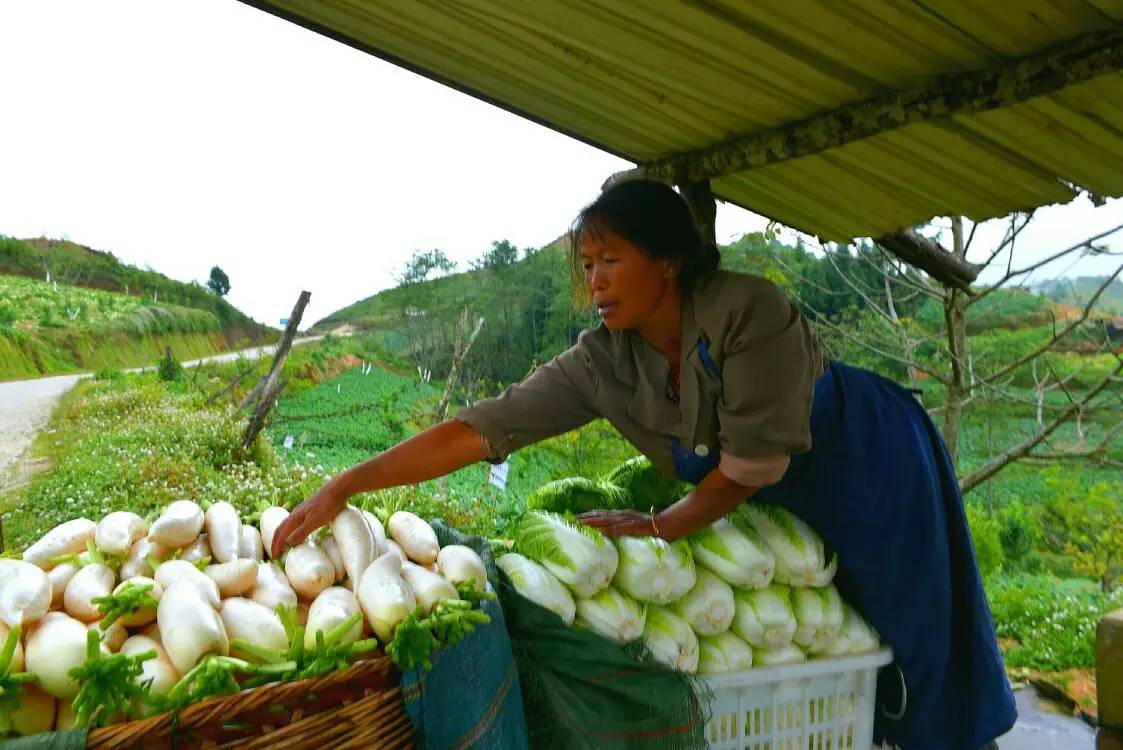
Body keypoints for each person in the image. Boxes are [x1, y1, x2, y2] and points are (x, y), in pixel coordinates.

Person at [271, 180, 1015, 749]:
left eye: (610, 260)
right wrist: (349, 481)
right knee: (829, 637)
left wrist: (666, 523)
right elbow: (481, 428)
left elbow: (747, 465)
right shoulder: (604, 360)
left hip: (870, 468)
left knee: (912, 636)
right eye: (586, 264)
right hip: (769, 501)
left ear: (668, 260)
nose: (593, 281)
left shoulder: (750, 313)